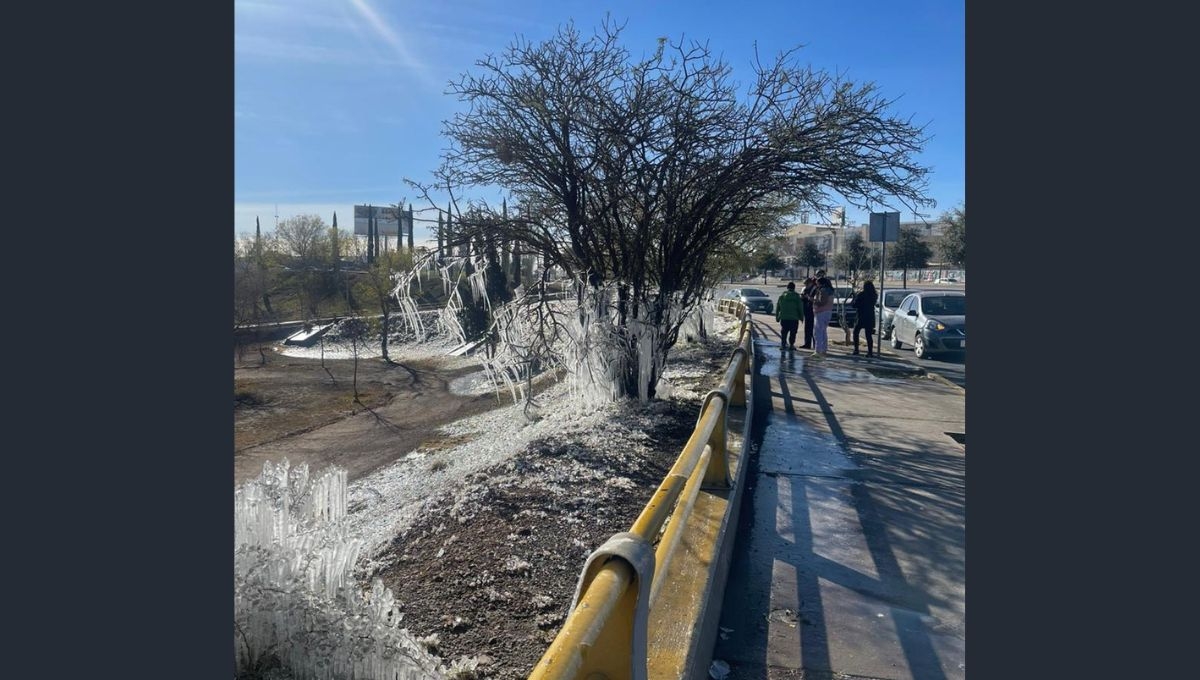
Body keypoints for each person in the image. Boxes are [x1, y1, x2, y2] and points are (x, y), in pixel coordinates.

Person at [851, 281, 879, 357]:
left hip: (861, 316)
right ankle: (870, 352)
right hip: (870, 316)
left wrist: (854, 297)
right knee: (868, 335)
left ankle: (856, 349)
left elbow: (854, 305)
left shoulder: (861, 295)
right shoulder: (874, 295)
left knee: (856, 332)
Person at [811, 276, 835, 357]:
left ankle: (818, 350)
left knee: (818, 332)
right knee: (823, 331)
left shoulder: (823, 290)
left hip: (821, 312)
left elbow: (822, 302)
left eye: (817, 283)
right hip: (828, 311)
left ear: (820, 283)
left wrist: (813, 300)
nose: (816, 285)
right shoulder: (830, 290)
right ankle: (824, 349)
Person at [775, 281, 803, 349]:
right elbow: (800, 308)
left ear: (787, 288)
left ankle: (783, 345)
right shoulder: (797, 297)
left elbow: (778, 307)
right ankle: (791, 345)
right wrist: (801, 317)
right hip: (794, 318)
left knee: (784, 332)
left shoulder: (781, 296)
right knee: (793, 333)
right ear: (794, 288)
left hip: (784, 317)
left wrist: (777, 317)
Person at [799, 277, 816, 348]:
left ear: (811, 283)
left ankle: (816, 345)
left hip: (813, 310)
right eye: (805, 284)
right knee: (807, 328)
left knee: (814, 329)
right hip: (807, 310)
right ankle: (807, 343)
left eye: (807, 284)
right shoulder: (805, 289)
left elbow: (815, 299)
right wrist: (802, 297)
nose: (805, 285)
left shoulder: (815, 289)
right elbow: (802, 298)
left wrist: (807, 297)